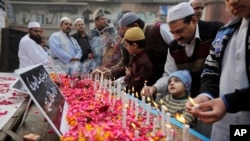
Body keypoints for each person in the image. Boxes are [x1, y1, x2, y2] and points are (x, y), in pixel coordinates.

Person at [186, 0, 250, 140]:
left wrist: (228, 103)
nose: (233, 2)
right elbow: (211, 70)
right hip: (224, 128)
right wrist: (206, 95)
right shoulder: (224, 32)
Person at [141, 2, 223, 99]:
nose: (176, 37)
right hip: (190, 103)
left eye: (180, 31)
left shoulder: (216, 32)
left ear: (193, 21)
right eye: (172, 33)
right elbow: (169, 75)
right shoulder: (174, 48)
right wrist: (154, 88)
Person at [118, 12, 174, 84]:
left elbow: (178, 46)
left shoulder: (159, 29)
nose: (125, 35)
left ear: (136, 25)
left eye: (126, 31)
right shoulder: (134, 43)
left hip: (172, 80)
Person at [123, 27, 154, 98]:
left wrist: (128, 75)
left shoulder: (143, 62)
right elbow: (128, 68)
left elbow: (137, 85)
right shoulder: (137, 57)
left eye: (127, 45)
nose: (126, 48)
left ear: (134, 45)